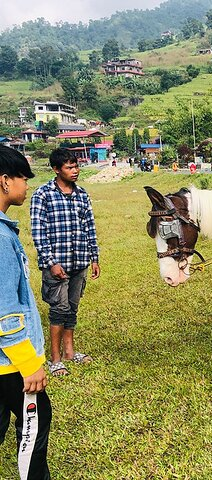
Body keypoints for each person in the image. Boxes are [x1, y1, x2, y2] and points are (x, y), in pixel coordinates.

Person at [0, 145, 52, 480]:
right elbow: (5, 309)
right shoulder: (1, 239)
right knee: (35, 425)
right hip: (10, 363)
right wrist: (29, 363)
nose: (27, 185)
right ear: (5, 181)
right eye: (23, 177)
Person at [30, 148, 100, 377]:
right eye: (69, 167)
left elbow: (90, 227)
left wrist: (94, 258)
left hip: (79, 261)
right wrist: (51, 262)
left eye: (76, 166)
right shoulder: (43, 195)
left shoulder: (82, 195)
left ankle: (69, 352)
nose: (75, 171)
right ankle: (55, 358)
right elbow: (39, 233)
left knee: (72, 308)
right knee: (58, 309)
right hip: (56, 264)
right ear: (56, 169)